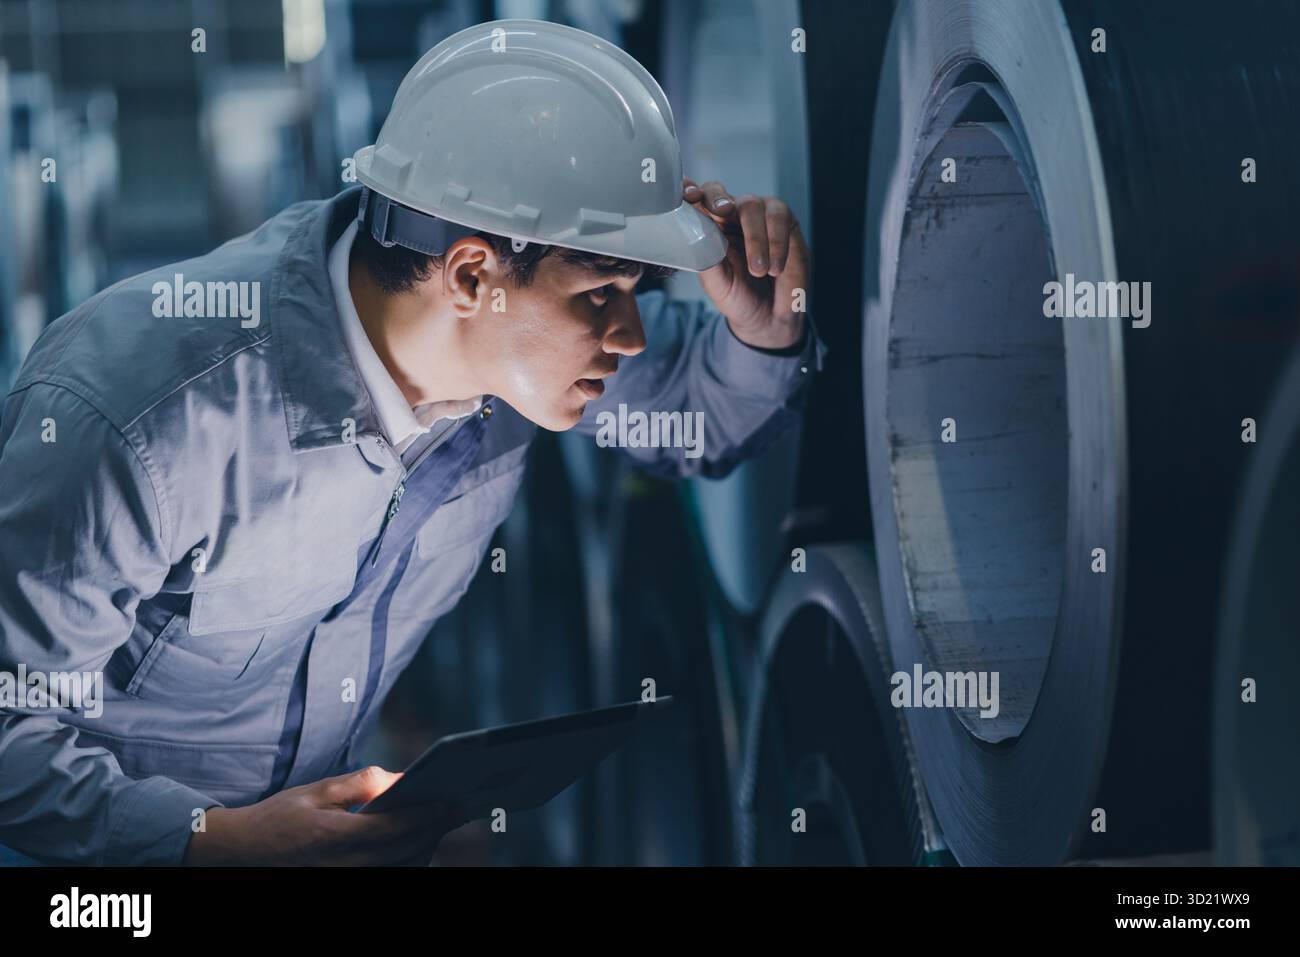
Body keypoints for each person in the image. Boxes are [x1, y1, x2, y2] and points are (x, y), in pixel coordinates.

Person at [0, 19, 823, 865]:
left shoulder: (507, 362)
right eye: (602, 294)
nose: (632, 335)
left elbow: (699, 426)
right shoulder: (141, 411)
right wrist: (213, 841)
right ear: (471, 276)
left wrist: (764, 331)